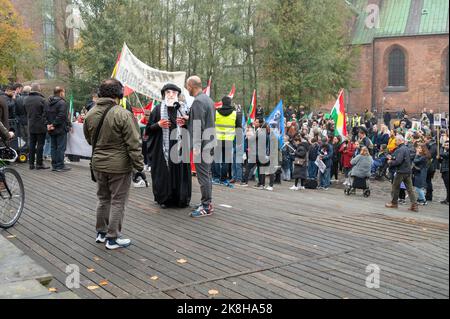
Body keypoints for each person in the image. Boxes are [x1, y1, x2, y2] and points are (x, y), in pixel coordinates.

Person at [83, 79, 144, 250]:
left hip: (98, 163)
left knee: (103, 199)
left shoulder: (90, 113)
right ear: (119, 94)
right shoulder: (123, 114)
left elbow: (89, 140)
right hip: (119, 166)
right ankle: (113, 238)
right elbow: (134, 144)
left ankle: (101, 233)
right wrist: (139, 167)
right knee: (118, 201)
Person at [146, 83, 191, 209]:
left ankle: (180, 199)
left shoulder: (183, 109)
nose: (171, 95)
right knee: (164, 174)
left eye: (174, 93)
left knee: (180, 173)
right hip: (163, 149)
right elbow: (148, 130)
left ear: (178, 95)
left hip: (180, 148)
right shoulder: (157, 109)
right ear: (164, 95)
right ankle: (164, 199)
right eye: (168, 92)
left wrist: (186, 122)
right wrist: (158, 125)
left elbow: (193, 128)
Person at [186, 76, 216, 217]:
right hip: (210, 142)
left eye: (187, 86)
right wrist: (189, 119)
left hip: (202, 144)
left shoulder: (198, 101)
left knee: (203, 176)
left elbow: (198, 126)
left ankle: (206, 206)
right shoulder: (209, 100)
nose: (187, 89)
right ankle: (207, 202)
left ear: (192, 85)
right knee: (207, 175)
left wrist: (196, 147)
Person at [385, 135, 418, 212]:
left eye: (396, 140)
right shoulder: (406, 148)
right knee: (410, 189)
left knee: (395, 187)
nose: (395, 141)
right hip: (408, 171)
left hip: (401, 171)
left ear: (400, 140)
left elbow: (398, 161)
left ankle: (394, 203)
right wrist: (392, 158)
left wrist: (390, 162)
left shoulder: (400, 149)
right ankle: (414, 205)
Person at [213, 96, 241, 184]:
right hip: (229, 139)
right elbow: (238, 127)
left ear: (222, 102)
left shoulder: (216, 112)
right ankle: (223, 179)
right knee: (225, 160)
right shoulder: (235, 113)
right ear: (230, 103)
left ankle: (216, 178)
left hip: (217, 138)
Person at [46, 87, 71, 172]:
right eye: (64, 92)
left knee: (53, 147)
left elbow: (45, 114)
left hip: (51, 128)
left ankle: (54, 165)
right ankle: (60, 165)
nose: (64, 94)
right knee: (60, 147)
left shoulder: (49, 102)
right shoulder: (62, 103)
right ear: (60, 93)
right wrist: (53, 124)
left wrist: (49, 124)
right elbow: (62, 116)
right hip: (60, 128)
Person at [24, 83, 49, 170]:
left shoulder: (26, 99)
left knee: (32, 144)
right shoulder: (42, 100)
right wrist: (45, 122)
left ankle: (31, 164)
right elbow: (46, 113)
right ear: (38, 90)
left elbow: (25, 111)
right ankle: (39, 164)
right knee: (40, 145)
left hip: (31, 124)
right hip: (41, 126)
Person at [424, 135, 438, 202]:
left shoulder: (434, 146)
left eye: (426, 139)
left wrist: (424, 148)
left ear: (429, 139)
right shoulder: (431, 145)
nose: (425, 141)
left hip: (431, 166)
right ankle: (428, 195)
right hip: (430, 165)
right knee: (427, 181)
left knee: (428, 181)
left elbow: (429, 155)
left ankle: (429, 196)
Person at [437, 139, 449, 205]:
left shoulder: (446, 152)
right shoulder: (446, 152)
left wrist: (442, 146)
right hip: (444, 170)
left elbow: (441, 154)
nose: (446, 146)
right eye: (446, 145)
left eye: (447, 145)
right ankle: (447, 199)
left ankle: (448, 200)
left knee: (448, 186)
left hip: (447, 171)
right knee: (447, 186)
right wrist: (439, 159)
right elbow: (442, 161)